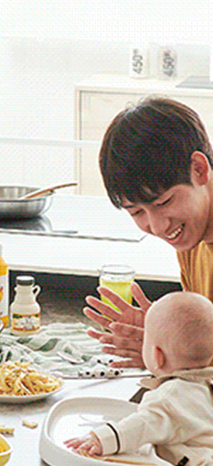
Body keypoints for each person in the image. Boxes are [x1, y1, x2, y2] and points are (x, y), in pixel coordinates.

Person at [64, 291, 213, 466]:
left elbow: (143, 423)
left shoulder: (172, 394)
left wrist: (101, 438)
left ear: (155, 355)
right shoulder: (205, 384)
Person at [84, 95, 213, 366]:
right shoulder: (192, 236)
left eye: (164, 202)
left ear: (199, 169)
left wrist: (178, 355)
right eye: (137, 212)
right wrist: (172, 340)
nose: (157, 227)